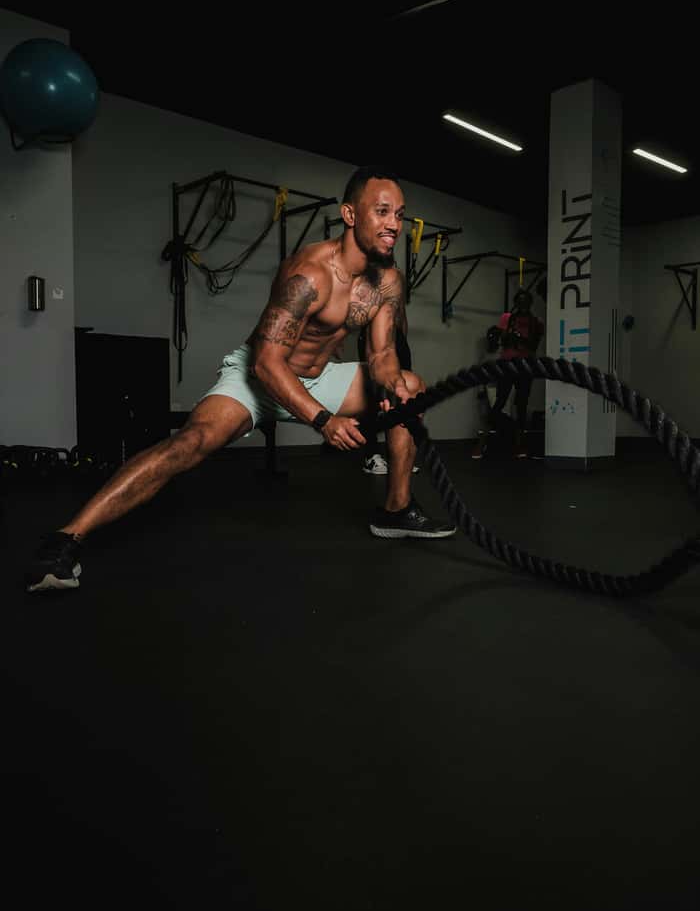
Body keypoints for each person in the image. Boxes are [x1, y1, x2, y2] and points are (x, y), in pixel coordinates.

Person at [26, 166, 457, 593]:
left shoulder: (387, 281)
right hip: (258, 376)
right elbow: (266, 364)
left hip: (319, 376)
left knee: (409, 385)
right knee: (189, 444)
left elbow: (381, 353)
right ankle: (66, 539)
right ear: (349, 214)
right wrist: (323, 420)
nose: (393, 225)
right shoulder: (309, 274)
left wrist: (390, 384)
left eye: (399, 215)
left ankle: (396, 510)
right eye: (382, 212)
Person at [357, 286, 418, 476]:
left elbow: (401, 313)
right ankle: (371, 456)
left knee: (404, 393)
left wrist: (400, 340)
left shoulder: (394, 278)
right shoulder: (368, 279)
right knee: (373, 397)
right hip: (373, 336)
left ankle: (399, 458)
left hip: (396, 338)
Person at [486, 286, 544, 457]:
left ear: (530, 303)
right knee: (501, 398)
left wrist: (517, 338)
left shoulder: (536, 322)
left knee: (522, 402)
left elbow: (533, 345)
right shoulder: (508, 318)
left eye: (526, 301)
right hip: (507, 364)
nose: (523, 304)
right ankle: (497, 431)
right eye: (520, 301)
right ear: (516, 303)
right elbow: (499, 341)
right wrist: (499, 335)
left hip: (526, 365)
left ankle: (520, 442)